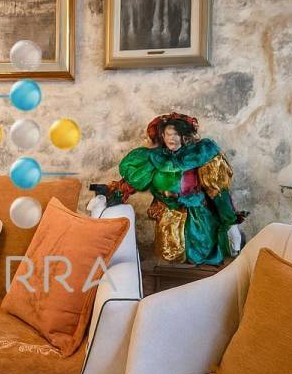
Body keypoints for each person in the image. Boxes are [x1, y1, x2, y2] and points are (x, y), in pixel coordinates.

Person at [90, 112, 245, 265]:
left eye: (176, 134)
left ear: (184, 136)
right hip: (169, 217)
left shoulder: (198, 155)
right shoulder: (154, 158)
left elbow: (218, 192)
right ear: (162, 136)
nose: (172, 138)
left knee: (202, 252)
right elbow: (129, 185)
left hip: (198, 216)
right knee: (171, 253)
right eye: (168, 134)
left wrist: (231, 223)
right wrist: (108, 196)